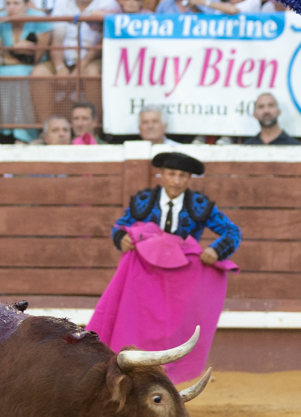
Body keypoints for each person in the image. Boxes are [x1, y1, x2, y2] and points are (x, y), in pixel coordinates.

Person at [88, 150, 241, 385]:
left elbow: (232, 232)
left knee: (174, 328)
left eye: (182, 175)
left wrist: (216, 250)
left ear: (189, 179)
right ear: (162, 175)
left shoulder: (199, 205)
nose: (176, 181)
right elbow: (120, 226)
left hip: (182, 279)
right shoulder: (144, 201)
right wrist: (121, 237)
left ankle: (166, 377)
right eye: (171, 174)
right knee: (138, 321)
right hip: (144, 274)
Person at [0, 0, 52, 136]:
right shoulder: (0, 19)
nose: (11, 8)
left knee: (20, 72)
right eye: (8, 3)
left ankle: (24, 133)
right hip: (11, 65)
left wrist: (7, 56)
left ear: (27, 4)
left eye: (16, 3)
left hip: (37, 65)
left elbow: (36, 57)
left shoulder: (39, 18)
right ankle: (1, 131)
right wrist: (15, 48)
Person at [49, 0, 117, 73]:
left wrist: (82, 65)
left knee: (92, 72)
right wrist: (59, 67)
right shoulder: (61, 5)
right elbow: (57, 40)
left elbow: (101, 41)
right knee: (40, 73)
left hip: (93, 59)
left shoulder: (107, 3)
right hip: (65, 60)